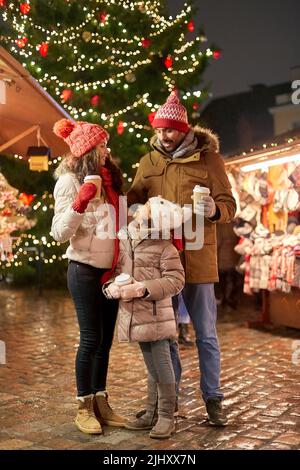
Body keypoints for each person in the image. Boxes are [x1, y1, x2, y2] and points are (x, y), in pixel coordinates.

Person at [127, 92, 237, 426]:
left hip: (199, 259)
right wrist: (136, 211)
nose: (164, 135)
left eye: (170, 130)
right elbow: (133, 201)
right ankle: (166, 401)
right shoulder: (148, 162)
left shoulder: (210, 160)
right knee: (163, 333)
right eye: (160, 130)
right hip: (161, 260)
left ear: (183, 129)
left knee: (205, 333)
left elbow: (229, 206)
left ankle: (213, 399)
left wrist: (215, 209)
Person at [51, 118, 126, 434]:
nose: (107, 150)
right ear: (87, 151)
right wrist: (80, 201)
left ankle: (100, 402)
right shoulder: (69, 182)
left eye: (106, 144)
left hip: (111, 272)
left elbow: (119, 227)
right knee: (91, 338)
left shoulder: (111, 182)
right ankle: (83, 406)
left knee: (106, 342)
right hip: (83, 270)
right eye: (102, 145)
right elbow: (58, 233)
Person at [103, 197, 186, 438]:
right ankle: (151, 413)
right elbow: (119, 272)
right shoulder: (127, 241)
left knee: (162, 365)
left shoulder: (165, 246)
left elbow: (176, 280)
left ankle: (166, 416)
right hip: (136, 314)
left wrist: (143, 288)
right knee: (152, 367)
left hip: (156, 314)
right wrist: (112, 287)